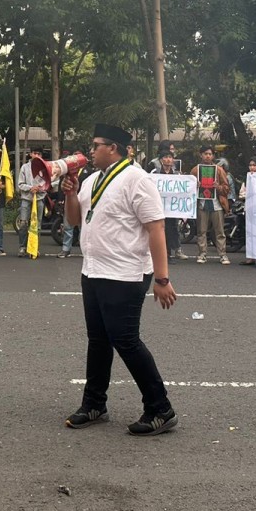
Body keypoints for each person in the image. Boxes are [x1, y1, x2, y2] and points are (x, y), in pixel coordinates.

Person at [61, 123, 178, 437]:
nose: (91, 150)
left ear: (112, 148)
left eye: (95, 144)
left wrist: (162, 278)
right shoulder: (91, 180)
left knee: (125, 340)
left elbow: (156, 227)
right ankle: (94, 403)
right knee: (98, 340)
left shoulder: (137, 179)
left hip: (125, 274)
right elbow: (74, 220)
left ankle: (160, 408)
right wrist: (71, 193)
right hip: (94, 271)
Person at [191, 145, 230, 265]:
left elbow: (226, 188)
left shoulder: (219, 170)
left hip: (217, 204)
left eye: (210, 154)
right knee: (201, 231)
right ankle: (202, 254)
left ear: (213, 156)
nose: (208, 156)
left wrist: (217, 187)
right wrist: (194, 185)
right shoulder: (195, 170)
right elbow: (188, 189)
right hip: (202, 204)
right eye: (205, 154)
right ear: (201, 155)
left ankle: (222, 254)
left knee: (219, 231)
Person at [16, 148, 49, 257]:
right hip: (27, 198)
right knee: (23, 223)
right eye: (35, 153)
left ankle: (35, 248)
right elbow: (20, 184)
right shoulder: (25, 167)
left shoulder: (44, 168)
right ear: (31, 154)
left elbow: (47, 184)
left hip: (39, 198)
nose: (36, 155)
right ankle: (22, 247)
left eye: (39, 153)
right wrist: (31, 188)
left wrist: (39, 189)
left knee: (37, 225)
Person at [150, 151, 181, 263]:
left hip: (171, 210)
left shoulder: (177, 175)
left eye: (170, 157)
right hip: (159, 208)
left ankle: (168, 254)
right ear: (161, 160)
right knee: (158, 230)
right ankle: (156, 255)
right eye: (165, 157)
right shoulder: (155, 173)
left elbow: (183, 191)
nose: (168, 159)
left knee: (170, 231)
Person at [239, 156, 256, 267]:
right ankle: (250, 258)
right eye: (250, 165)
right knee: (250, 234)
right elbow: (242, 193)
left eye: (254, 165)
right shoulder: (246, 179)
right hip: (249, 209)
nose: (252, 167)